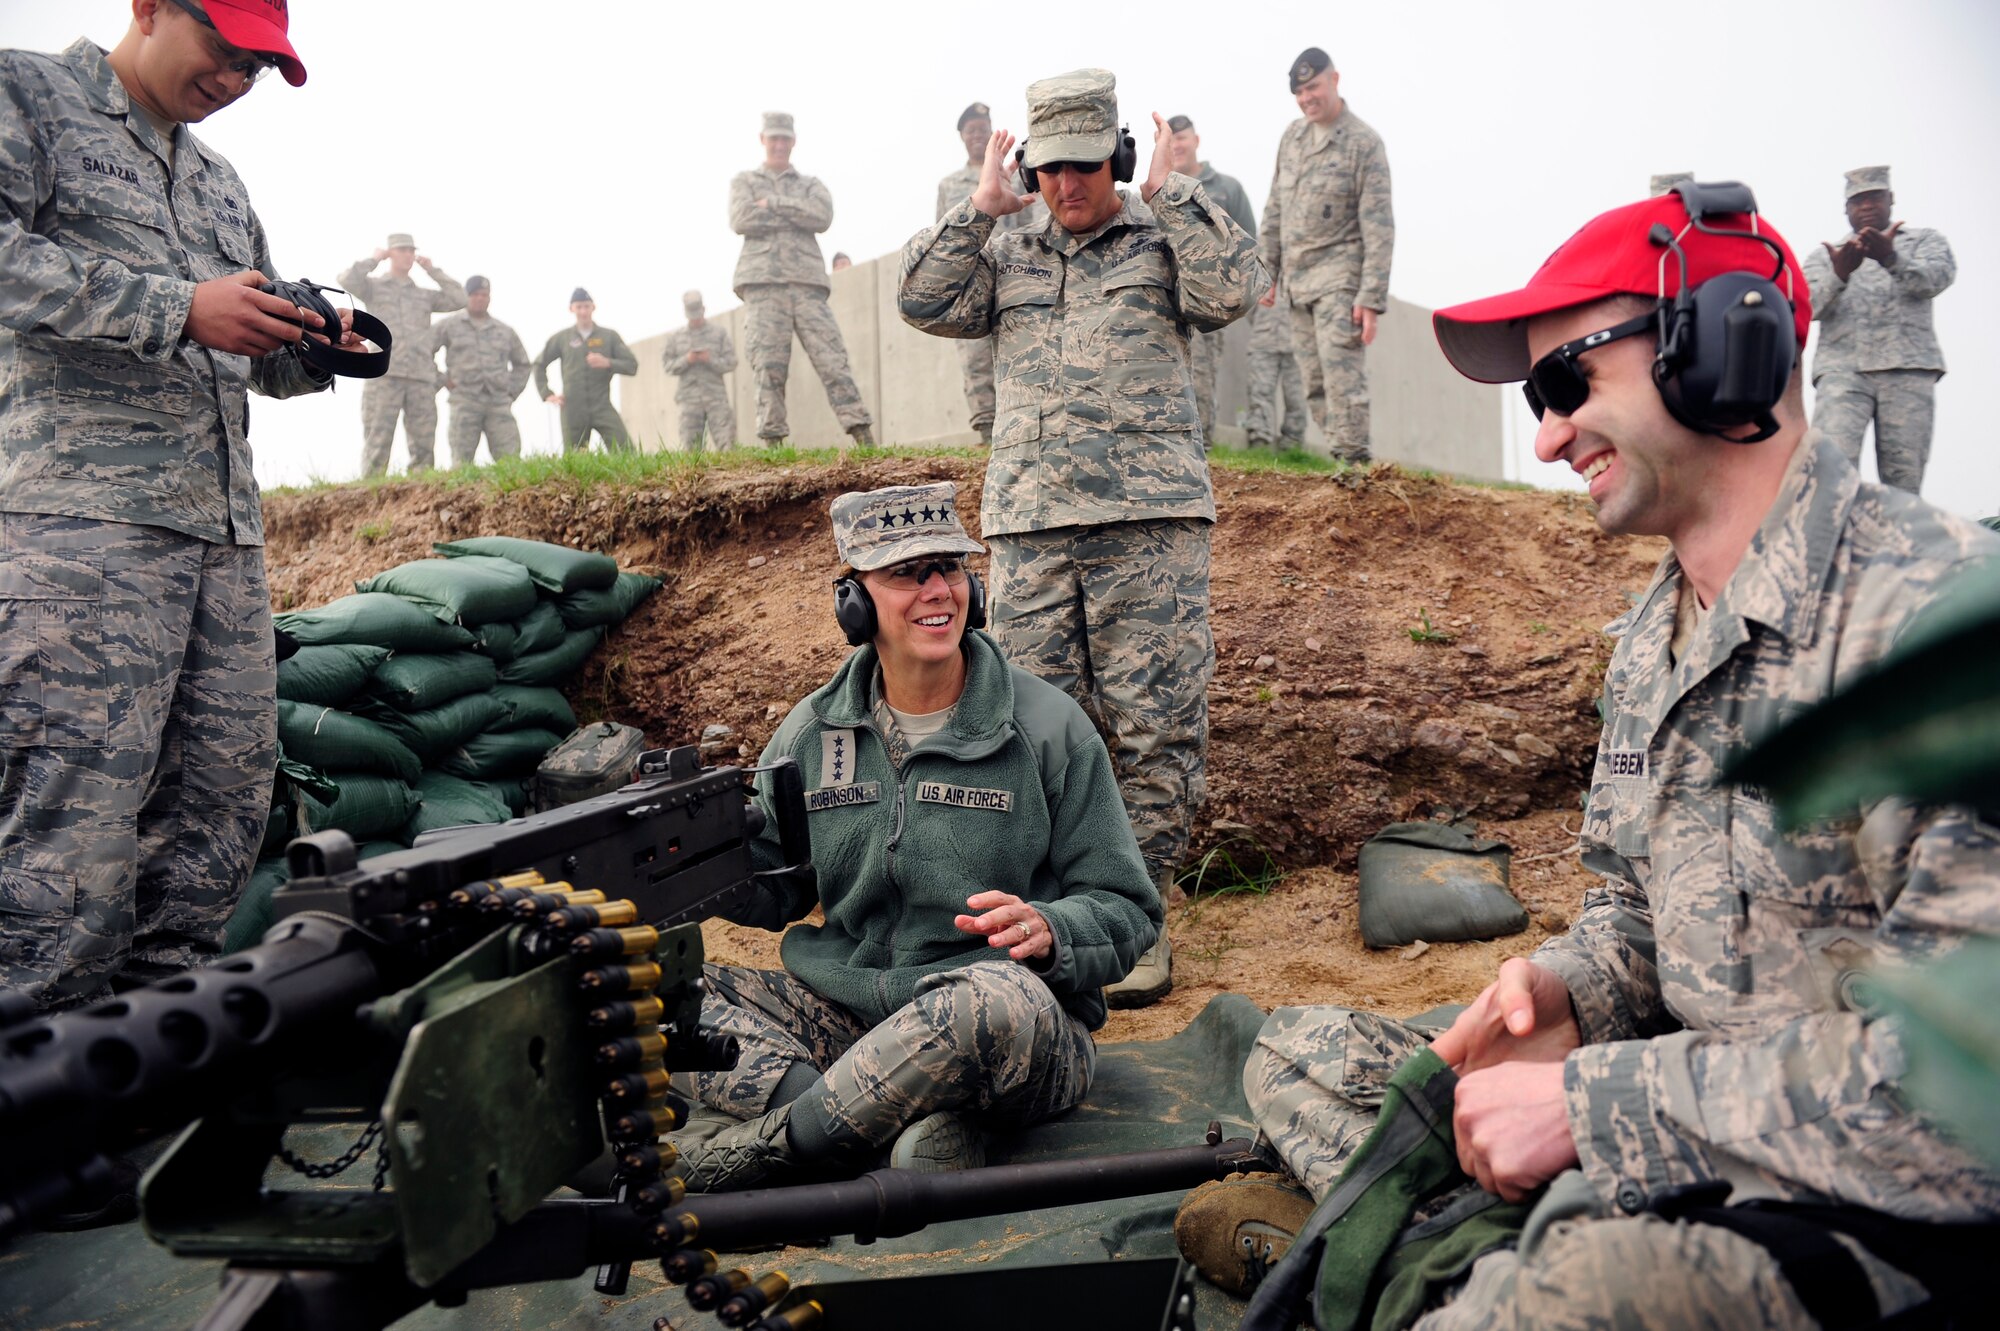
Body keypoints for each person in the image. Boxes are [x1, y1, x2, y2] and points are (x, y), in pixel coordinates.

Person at [1178, 186, 2000, 1324]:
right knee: (1311, 1055)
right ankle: (1467, 1248)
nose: (1547, 434)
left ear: (1719, 346)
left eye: (1563, 382)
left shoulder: (1936, 622)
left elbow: (1966, 1094)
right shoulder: (1651, 640)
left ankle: (1459, 1265)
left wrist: (1592, 1103)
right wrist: (1566, 990)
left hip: (1878, 1214)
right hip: (1687, 1124)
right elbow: (1634, 913)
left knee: (1564, 1294)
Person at [0, 0, 353, 1016]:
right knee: (64, 853)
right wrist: (175, 305)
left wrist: (309, 341)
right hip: (79, 538)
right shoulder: (29, 96)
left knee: (211, 832)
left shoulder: (216, 181)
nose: (235, 79)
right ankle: (31, 1128)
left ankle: (146, 1111)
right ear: (150, 6)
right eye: (224, 50)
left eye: (257, 67)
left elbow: (247, 350)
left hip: (220, 545)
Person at [668, 482, 1161, 1190]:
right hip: (850, 1021)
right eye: (907, 573)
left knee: (992, 999)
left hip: (1008, 1026)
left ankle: (785, 1148)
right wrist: (691, 860)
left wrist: (1052, 929)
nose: (937, 590)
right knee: (653, 994)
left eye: (949, 568)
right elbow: (774, 881)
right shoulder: (813, 732)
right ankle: (885, 1129)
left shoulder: (1049, 728)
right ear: (855, 603)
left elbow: (1129, 908)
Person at [897, 69, 1267, 1008]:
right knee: (1037, 728)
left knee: (1156, 724)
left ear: (1122, 158)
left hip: (1150, 522)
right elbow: (923, 302)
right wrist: (980, 208)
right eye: (1050, 168)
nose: (1068, 186)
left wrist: (1177, 189)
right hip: (1029, 526)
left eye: (1088, 167)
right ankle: (1056, 913)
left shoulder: (1162, 230)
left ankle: (1134, 919)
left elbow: (1235, 291)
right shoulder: (1007, 247)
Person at [1260, 46, 1393, 463]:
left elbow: (1379, 226)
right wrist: (1268, 272)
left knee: (1341, 376)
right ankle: (1346, 458)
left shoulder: (1363, 143)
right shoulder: (1292, 137)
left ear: (1335, 80)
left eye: (1313, 87)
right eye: (1299, 92)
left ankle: (1354, 467)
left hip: (1340, 279)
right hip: (1298, 284)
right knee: (1314, 382)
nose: (1306, 99)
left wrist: (1370, 298)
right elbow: (1275, 209)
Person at [1802, 165, 1956, 494]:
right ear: (1846, 209)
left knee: (1903, 481)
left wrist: (1892, 259)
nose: (1867, 206)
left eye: (1874, 197)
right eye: (1858, 201)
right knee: (1830, 474)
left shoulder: (1923, 242)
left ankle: (1899, 546)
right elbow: (1805, 306)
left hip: (1907, 370)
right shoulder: (1825, 256)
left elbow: (1936, 279)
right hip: (1843, 372)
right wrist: (1839, 274)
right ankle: (1833, 544)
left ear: (1891, 200)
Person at [730, 112, 874, 449]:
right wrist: (795, 214)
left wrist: (774, 203)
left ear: (793, 141)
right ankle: (773, 443)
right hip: (762, 284)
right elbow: (741, 218)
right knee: (768, 366)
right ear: (762, 140)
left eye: (785, 139)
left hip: (808, 286)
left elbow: (821, 216)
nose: (779, 145)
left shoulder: (811, 184)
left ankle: (863, 436)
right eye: (773, 138)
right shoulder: (744, 181)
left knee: (833, 361)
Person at [935, 101, 1046, 445]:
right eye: (971, 131)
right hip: (971, 277)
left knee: (1022, 350)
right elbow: (943, 232)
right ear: (961, 137)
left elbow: (1032, 223)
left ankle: (1023, 431)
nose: (978, 136)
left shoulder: (1012, 175)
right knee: (975, 357)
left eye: (983, 129)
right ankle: (986, 433)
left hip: (1011, 274)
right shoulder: (949, 184)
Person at [339, 231, 466, 475]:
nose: (409, 255)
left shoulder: (423, 295)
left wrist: (432, 270)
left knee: (423, 446)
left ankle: (422, 495)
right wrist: (374, 259)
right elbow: (347, 279)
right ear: (391, 253)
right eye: (402, 250)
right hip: (385, 374)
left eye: (411, 250)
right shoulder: (374, 287)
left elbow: (459, 298)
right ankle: (372, 494)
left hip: (420, 376)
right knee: (378, 442)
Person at [1166, 114, 1255, 445]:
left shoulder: (1226, 188)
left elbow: (1248, 243)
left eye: (1182, 139)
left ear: (1196, 141)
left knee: (1202, 377)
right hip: (1165, 299)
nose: (1177, 146)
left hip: (1208, 299)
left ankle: (1203, 448)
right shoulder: (1158, 190)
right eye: (1170, 140)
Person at [432, 274, 531, 467]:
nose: (480, 298)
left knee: (511, 463)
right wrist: (443, 379)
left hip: (498, 403)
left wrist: (511, 391)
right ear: (466, 296)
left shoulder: (504, 331)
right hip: (465, 402)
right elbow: (424, 351)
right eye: (475, 294)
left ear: (490, 298)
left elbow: (523, 364)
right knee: (461, 464)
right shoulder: (449, 326)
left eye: (484, 294)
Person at [532, 288, 637, 454]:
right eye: (579, 307)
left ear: (593, 307)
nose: (583, 311)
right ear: (571, 309)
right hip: (572, 407)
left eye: (586, 306)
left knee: (626, 450)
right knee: (575, 458)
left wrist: (607, 362)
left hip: (601, 404)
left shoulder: (609, 336)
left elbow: (632, 365)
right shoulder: (562, 338)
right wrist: (547, 393)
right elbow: (538, 364)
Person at [657, 289, 737, 453]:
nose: (695, 318)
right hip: (689, 399)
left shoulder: (719, 333)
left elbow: (731, 362)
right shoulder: (676, 337)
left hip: (716, 397)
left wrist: (711, 360)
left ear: (704, 309)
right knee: (691, 450)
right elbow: (667, 365)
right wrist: (687, 360)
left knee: (727, 445)